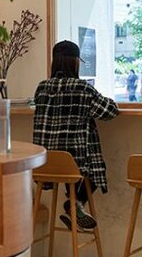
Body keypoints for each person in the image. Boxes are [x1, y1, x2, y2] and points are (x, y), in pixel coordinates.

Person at [33, 41, 119, 232]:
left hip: (45, 163)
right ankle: (75, 203)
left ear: (54, 62)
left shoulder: (42, 87)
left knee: (70, 170)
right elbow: (110, 112)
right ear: (75, 63)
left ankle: (74, 205)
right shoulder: (82, 88)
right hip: (74, 164)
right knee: (95, 172)